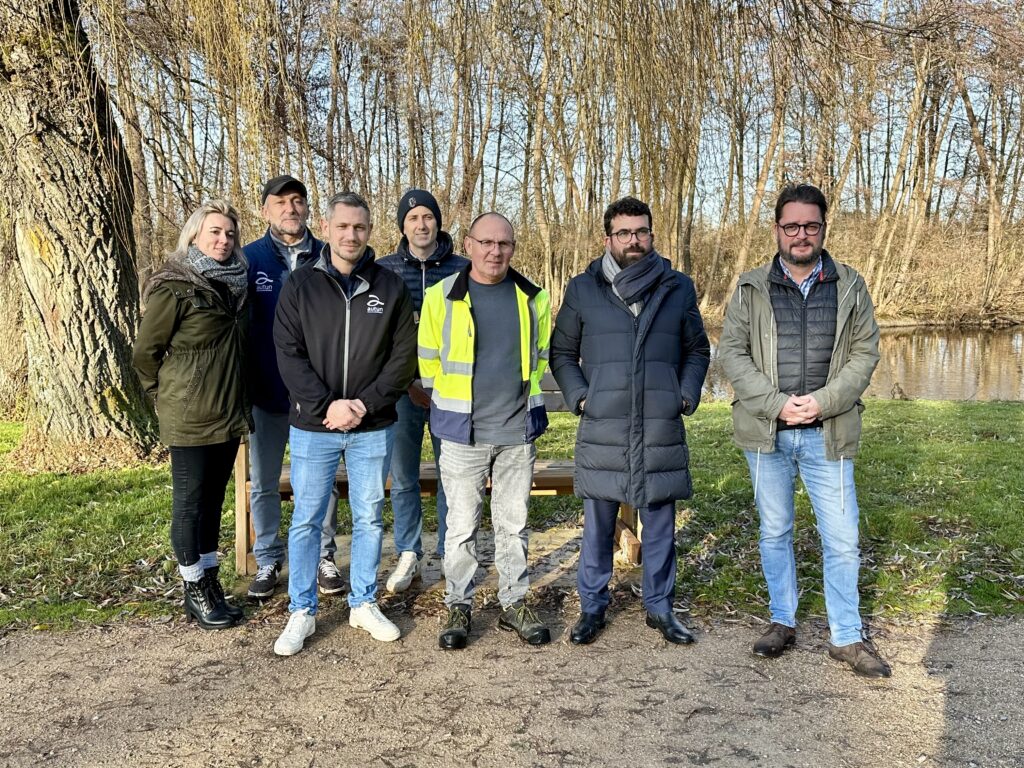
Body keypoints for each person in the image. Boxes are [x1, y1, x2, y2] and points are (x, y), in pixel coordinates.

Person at [718, 183, 890, 678]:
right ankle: (781, 620)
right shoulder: (751, 286)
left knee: (841, 537)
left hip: (829, 432)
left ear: (823, 228)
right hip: (765, 432)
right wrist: (776, 405)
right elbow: (732, 353)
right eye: (791, 226)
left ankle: (846, 637)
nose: (800, 235)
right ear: (777, 229)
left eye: (810, 226)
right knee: (775, 530)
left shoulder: (851, 285)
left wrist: (822, 402)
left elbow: (864, 354)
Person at [550, 196, 710, 646]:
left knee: (659, 520)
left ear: (651, 235)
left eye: (641, 232)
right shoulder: (584, 289)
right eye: (624, 233)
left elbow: (697, 349)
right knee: (598, 522)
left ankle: (660, 608)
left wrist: (684, 393)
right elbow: (562, 353)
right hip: (604, 424)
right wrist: (581, 396)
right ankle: (592, 606)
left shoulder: (677, 286)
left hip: (659, 423)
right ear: (608, 239)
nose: (633, 240)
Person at [271, 191, 416, 656]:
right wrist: (328, 406)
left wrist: (362, 406)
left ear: (369, 231)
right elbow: (288, 355)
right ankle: (302, 610)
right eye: (342, 227)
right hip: (314, 427)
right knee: (308, 519)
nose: (351, 235)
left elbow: (402, 359)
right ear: (327, 228)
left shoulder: (390, 286)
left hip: (373, 426)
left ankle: (363, 602)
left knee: (370, 516)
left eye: (359, 227)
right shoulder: (300, 285)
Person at [418, 212, 552, 650]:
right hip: (462, 434)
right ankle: (459, 604)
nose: (496, 251)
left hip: (517, 432)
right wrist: (455, 407)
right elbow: (429, 365)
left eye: (505, 244)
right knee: (461, 527)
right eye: (486, 243)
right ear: (469, 245)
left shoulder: (534, 298)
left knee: (514, 526)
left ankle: (515, 603)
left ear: (513, 248)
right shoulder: (441, 297)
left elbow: (541, 360)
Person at [133, 200, 252, 629]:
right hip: (189, 415)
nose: (223, 241)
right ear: (195, 236)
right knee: (189, 505)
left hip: (228, 412)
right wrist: (163, 396)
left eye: (230, 234)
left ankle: (210, 579)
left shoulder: (237, 284)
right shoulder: (175, 287)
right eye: (214, 232)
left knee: (213, 502)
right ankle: (194, 590)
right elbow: (145, 353)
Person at [243, 175, 344, 599]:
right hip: (266, 395)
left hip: (318, 396)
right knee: (264, 481)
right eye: (280, 202)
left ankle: (324, 556)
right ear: (265, 209)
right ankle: (267, 558)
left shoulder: (329, 256)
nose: (290, 209)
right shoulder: (248, 259)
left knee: (319, 482)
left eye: (298, 201)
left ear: (307, 209)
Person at [377, 189, 468, 592]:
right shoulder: (384, 270)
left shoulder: (465, 268)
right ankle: (409, 554)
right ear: (403, 225)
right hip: (400, 392)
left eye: (427, 216)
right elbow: (376, 336)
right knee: (404, 476)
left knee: (454, 476)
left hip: (452, 392)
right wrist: (407, 382)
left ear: (438, 222)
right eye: (412, 218)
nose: (421, 224)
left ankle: (451, 552)